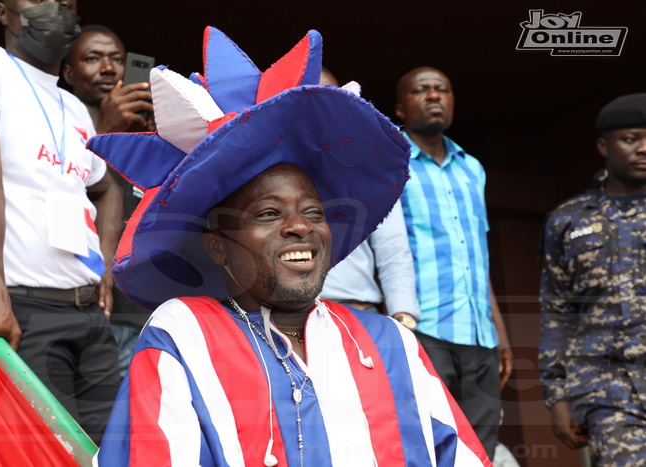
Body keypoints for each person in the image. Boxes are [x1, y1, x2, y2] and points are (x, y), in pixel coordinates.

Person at [90, 26, 491, 466]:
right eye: (268, 213)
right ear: (218, 246)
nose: (301, 227)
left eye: (315, 213)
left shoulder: (393, 342)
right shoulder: (184, 333)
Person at [0, 0, 121, 444]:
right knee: (44, 451)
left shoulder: (74, 107)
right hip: (20, 311)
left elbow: (106, 188)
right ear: (3, 12)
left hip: (88, 314)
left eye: (66, 2)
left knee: (110, 451)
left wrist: (104, 264)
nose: (55, 7)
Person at [395, 66, 513, 459]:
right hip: (424, 328)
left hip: (480, 336)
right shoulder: (390, 160)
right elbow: (387, 250)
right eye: (421, 90)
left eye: (441, 90)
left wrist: (501, 334)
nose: (433, 96)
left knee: (481, 448)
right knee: (428, 442)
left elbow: (476, 255)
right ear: (400, 107)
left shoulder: (472, 169)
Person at [539, 93, 646, 466]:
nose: (643, 148)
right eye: (631, 139)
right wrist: (557, 396)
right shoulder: (568, 220)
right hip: (608, 391)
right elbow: (557, 311)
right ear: (604, 145)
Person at [62, 24, 153, 377]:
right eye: (92, 58)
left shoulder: (140, 135)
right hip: (95, 310)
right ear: (68, 72)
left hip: (144, 311)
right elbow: (69, 188)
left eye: (117, 59)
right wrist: (105, 129)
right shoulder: (60, 126)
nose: (109, 68)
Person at [319, 68, 420, 329]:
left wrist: (403, 316)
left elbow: (393, 250)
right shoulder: (265, 169)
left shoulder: (370, 169)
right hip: (283, 318)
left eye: (325, 98)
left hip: (359, 314)